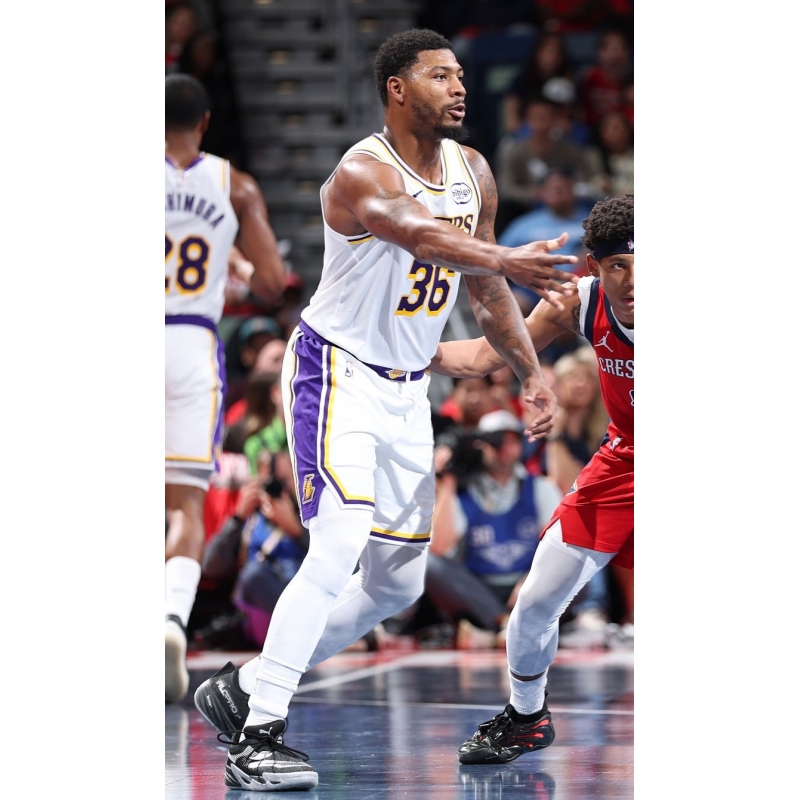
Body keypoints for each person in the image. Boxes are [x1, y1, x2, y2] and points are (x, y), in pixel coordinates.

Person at [192, 28, 579, 792]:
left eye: (461, 75)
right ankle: (259, 733)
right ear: (397, 89)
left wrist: (530, 372)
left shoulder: (473, 171)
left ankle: (244, 688)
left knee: (398, 585)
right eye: (440, 76)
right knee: (337, 545)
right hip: (336, 371)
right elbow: (417, 234)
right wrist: (506, 257)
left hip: (407, 389)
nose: (459, 87)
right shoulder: (360, 171)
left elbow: (486, 294)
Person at [430, 192, 633, 764]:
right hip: (623, 464)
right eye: (619, 265)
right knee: (536, 601)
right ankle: (526, 716)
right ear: (595, 267)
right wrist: (401, 350)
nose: (634, 280)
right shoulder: (581, 302)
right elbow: (483, 356)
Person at [165, 73, 287, 704]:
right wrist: (232, 264)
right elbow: (272, 282)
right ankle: (168, 619)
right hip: (191, 342)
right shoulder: (233, 184)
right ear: (206, 123)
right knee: (183, 505)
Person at [427, 409, 562, 649]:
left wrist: (533, 578)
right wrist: (447, 483)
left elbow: (559, 546)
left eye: (512, 441)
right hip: (480, 588)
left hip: (526, 584)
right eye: (496, 441)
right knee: (428, 564)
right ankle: (505, 624)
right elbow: (439, 547)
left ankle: (493, 631)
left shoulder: (540, 487)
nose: (504, 449)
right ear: (479, 445)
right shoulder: (463, 491)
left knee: (577, 564)